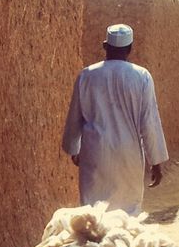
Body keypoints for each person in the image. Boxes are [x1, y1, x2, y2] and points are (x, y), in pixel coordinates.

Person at [63, 23, 169, 215]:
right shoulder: (142, 76)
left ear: (105, 46)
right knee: (128, 212)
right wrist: (156, 161)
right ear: (130, 49)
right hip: (129, 155)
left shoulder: (87, 75)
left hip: (96, 152)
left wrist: (74, 148)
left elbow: (75, 116)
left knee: (93, 213)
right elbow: (149, 121)